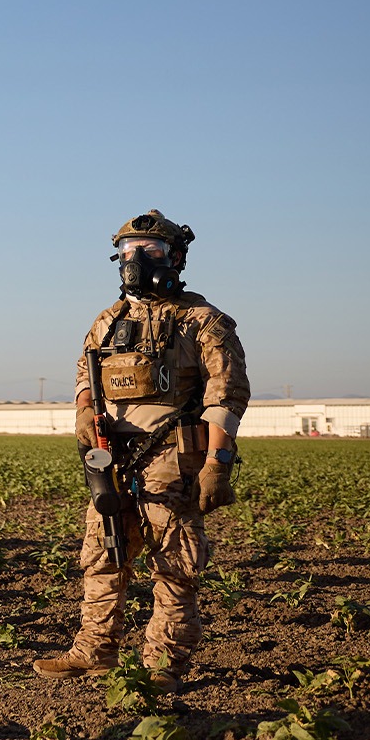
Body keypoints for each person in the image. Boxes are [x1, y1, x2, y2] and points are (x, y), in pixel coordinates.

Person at [34, 210, 249, 693]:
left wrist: (218, 463)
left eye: (149, 251)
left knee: (174, 561)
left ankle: (162, 665)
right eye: (128, 250)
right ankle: (95, 649)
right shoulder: (109, 321)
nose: (137, 260)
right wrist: (84, 415)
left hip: (173, 454)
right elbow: (83, 379)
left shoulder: (202, 321)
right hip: (114, 457)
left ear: (174, 257)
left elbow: (227, 395)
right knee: (103, 551)